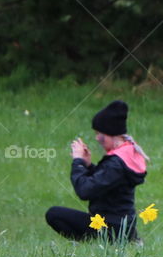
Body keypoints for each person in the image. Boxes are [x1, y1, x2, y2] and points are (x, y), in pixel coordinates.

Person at [46, 100, 149, 242]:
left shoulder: (116, 163)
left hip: (110, 227)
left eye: (99, 133)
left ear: (110, 133)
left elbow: (85, 190)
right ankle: (110, 243)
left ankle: (98, 243)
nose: (97, 138)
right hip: (121, 227)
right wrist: (88, 166)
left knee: (54, 214)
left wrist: (78, 162)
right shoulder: (125, 155)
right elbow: (107, 183)